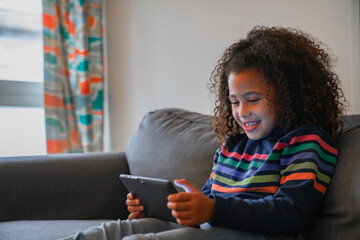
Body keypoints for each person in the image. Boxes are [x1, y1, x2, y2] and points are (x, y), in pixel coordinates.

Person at [64, 26, 346, 240]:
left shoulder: (307, 141)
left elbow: (290, 213)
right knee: (118, 230)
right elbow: (206, 209)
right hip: (213, 231)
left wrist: (212, 211)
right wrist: (171, 208)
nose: (242, 111)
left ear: (289, 95)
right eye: (235, 101)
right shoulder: (232, 147)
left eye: (253, 99)